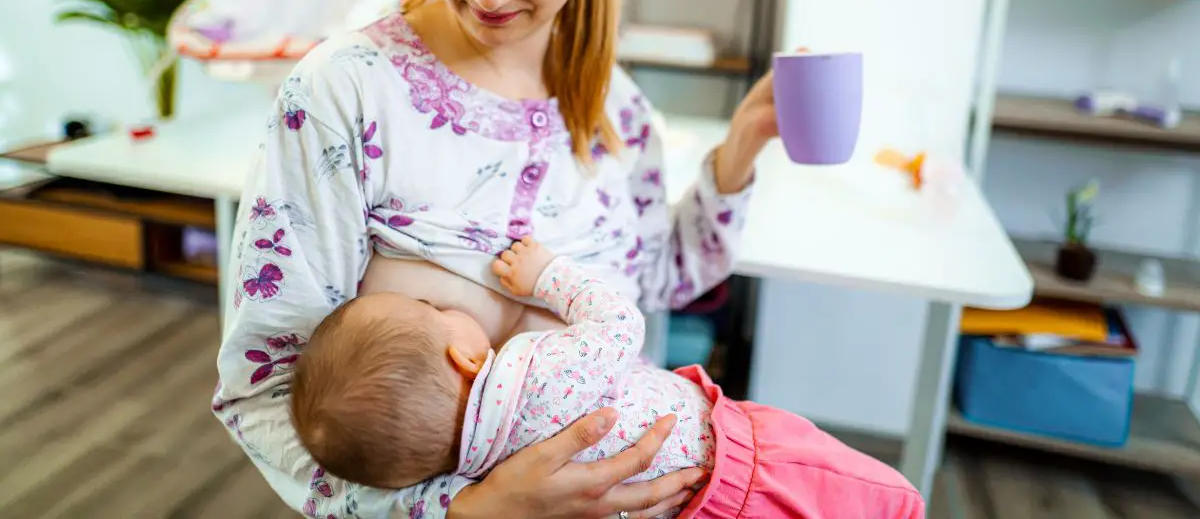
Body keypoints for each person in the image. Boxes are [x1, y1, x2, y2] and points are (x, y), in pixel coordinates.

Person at [212, 0, 781, 517]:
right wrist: (473, 512)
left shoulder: (615, 110)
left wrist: (741, 152)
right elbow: (266, 396)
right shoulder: (345, 98)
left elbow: (662, 279)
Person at [290, 240, 926, 518]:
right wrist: (547, 277)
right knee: (890, 500)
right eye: (429, 312)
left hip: (692, 508)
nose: (438, 307)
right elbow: (621, 324)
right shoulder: (538, 372)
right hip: (749, 462)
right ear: (463, 358)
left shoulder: (470, 478)